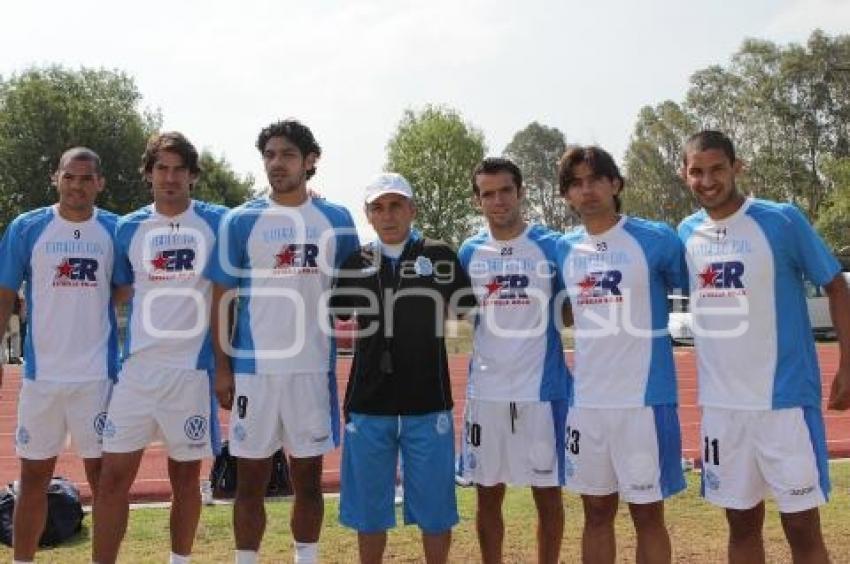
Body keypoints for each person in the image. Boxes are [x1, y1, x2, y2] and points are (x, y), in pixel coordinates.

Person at [678, 130, 850, 564]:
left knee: (801, 526)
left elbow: (836, 286)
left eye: (717, 168)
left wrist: (849, 364)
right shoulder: (686, 233)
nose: (708, 180)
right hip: (721, 407)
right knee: (740, 524)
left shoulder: (782, 220)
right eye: (697, 171)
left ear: (737, 168)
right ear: (685, 175)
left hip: (784, 402)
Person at [206, 119, 359, 564]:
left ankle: (305, 558)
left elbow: (353, 294)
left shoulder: (336, 218)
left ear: (309, 162)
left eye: (287, 154)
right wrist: (222, 367)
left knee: (308, 481)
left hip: (312, 369)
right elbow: (221, 298)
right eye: (270, 155)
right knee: (249, 482)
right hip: (254, 372)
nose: (277, 163)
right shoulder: (241, 220)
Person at [91, 132, 226, 564]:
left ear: (192, 175)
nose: (170, 177)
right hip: (138, 372)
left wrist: (309, 196)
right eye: (161, 169)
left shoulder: (218, 222)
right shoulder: (126, 226)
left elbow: (265, 215)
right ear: (148, 175)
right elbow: (112, 288)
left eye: (178, 169)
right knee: (112, 478)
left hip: (191, 373)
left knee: (185, 480)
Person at [330, 172, 474, 564]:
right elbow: (334, 313)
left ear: (411, 209)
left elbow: (469, 311)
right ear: (368, 214)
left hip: (428, 403)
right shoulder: (355, 260)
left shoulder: (440, 255)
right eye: (378, 207)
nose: (388, 214)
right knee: (368, 512)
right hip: (368, 402)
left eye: (396, 205)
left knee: (435, 510)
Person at [557, 145, 687, 564]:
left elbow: (702, 290)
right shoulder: (564, 248)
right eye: (576, 183)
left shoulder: (656, 239)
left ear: (615, 184)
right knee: (595, 512)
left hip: (643, 403)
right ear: (566, 195)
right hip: (588, 403)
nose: (587, 190)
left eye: (595, 179)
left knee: (647, 514)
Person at [0, 147, 120, 564]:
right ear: (56, 178)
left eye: (87, 178)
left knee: (104, 481)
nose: (77, 185)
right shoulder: (27, 228)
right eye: (70, 177)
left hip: (98, 379)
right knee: (32, 479)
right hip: (42, 378)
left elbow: (127, 290)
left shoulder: (114, 231)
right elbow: (3, 295)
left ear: (99, 183)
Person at [456, 157, 571, 564]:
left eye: (506, 190)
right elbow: (462, 312)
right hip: (486, 391)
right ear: (477, 200)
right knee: (487, 495)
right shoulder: (469, 251)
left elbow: (570, 310)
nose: (498, 200)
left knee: (548, 493)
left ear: (520, 192)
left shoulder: (552, 245)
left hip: (542, 390)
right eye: (488, 193)